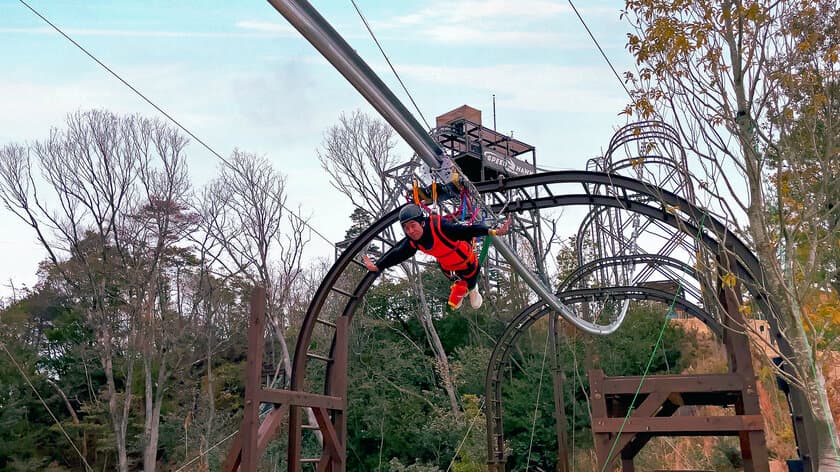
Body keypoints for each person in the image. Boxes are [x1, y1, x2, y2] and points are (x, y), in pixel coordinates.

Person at [363, 204, 511, 309]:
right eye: (406, 228)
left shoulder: (440, 227)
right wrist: (379, 265)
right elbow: (398, 254)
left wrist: (493, 231)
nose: (411, 231)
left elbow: (467, 231)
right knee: (456, 296)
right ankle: (461, 289)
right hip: (449, 270)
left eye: (413, 225)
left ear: (422, 222)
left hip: (467, 264)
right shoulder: (414, 242)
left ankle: (472, 289)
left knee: (473, 300)